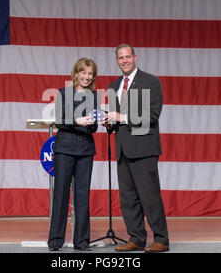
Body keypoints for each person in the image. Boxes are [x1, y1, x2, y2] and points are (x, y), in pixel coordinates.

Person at [105, 44, 169, 252]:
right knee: (128, 198)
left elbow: (152, 115)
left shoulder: (151, 81)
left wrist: (121, 117)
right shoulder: (114, 86)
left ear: (135, 57)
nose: (124, 61)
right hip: (123, 149)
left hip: (144, 148)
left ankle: (161, 239)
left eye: (127, 57)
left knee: (149, 195)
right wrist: (108, 122)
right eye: (120, 58)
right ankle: (137, 237)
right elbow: (116, 121)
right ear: (116, 60)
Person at [48, 57, 100, 251]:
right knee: (61, 194)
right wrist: (78, 121)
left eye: (90, 74)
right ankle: (55, 241)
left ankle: (82, 241)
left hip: (85, 149)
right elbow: (60, 122)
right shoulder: (63, 93)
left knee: (82, 196)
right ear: (76, 73)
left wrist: (98, 121)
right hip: (64, 149)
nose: (87, 77)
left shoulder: (94, 96)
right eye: (84, 72)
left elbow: (93, 127)